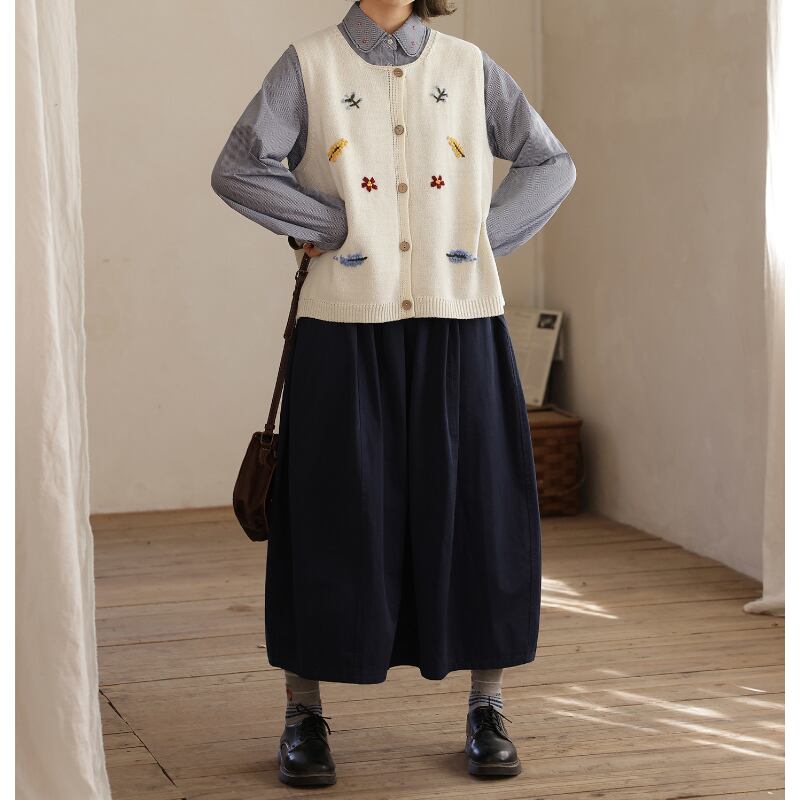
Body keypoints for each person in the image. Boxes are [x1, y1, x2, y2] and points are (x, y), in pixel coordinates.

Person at [211, 0, 575, 786]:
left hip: (462, 322)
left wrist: (479, 240)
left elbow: (551, 163)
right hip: (344, 324)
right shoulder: (309, 65)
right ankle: (303, 713)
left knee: (479, 510)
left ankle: (487, 705)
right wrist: (332, 223)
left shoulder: (468, 67)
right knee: (326, 511)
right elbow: (238, 168)